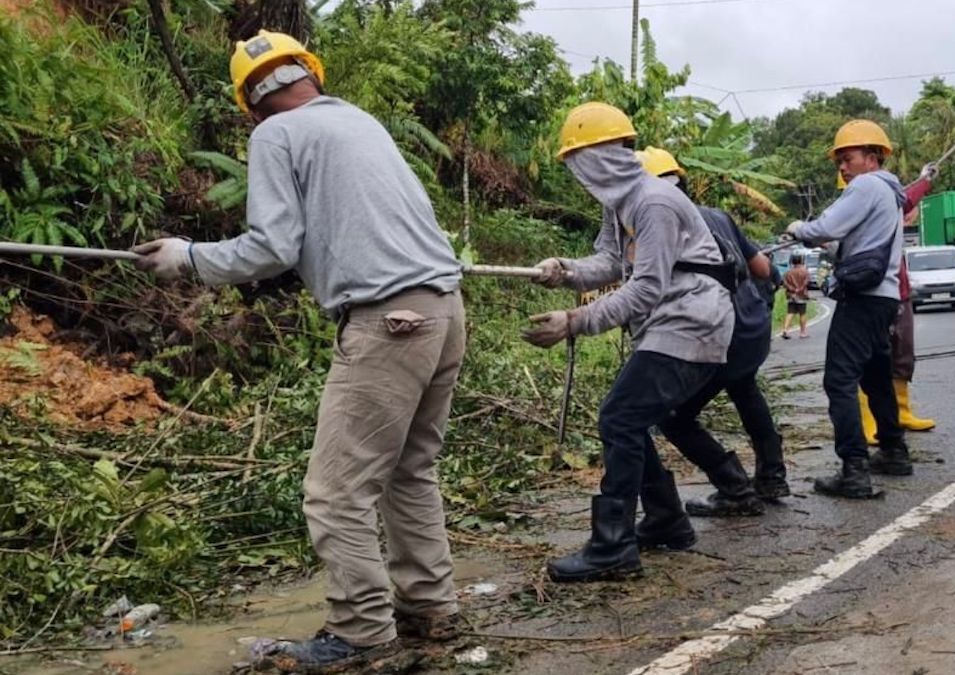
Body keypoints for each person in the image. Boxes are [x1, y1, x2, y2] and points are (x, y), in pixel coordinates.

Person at [132, 31, 464, 669]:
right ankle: (429, 606)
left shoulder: (274, 135)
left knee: (336, 492)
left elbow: (273, 246)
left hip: (389, 319)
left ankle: (362, 632)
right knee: (408, 469)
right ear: (308, 73)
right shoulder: (359, 122)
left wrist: (188, 257)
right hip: (444, 310)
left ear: (249, 104)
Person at [525, 104, 734, 582]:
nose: (577, 173)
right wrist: (566, 270)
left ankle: (613, 546)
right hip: (670, 323)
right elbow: (609, 260)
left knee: (619, 416)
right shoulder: (619, 204)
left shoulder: (654, 202)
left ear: (600, 156)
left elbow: (646, 288)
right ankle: (666, 520)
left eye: (578, 161)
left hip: (691, 321)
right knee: (629, 418)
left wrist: (575, 321)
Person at [635, 146, 790, 514]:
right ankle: (772, 476)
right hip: (752, 328)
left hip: (718, 334)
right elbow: (764, 270)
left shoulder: (656, 225)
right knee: (744, 387)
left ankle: (735, 488)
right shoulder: (717, 215)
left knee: (671, 415)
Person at [784, 119, 910, 498]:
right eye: (839, 160)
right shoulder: (890, 193)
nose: (842, 166)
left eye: (848, 157)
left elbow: (824, 227)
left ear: (872, 158)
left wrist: (798, 228)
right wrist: (828, 245)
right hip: (885, 297)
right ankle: (893, 451)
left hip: (863, 298)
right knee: (874, 378)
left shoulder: (867, 185)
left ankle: (853, 470)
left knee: (838, 381)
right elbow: (847, 243)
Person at [860, 165, 939, 445]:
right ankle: (869, 420)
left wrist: (925, 179)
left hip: (899, 290)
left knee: (903, 352)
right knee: (871, 358)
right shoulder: (860, 200)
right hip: (871, 291)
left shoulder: (888, 199)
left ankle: (902, 411)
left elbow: (905, 200)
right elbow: (903, 201)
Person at [781, 252, 810, 339]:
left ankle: (785, 330)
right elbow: (806, 282)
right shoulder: (805, 272)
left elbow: (785, 284)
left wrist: (793, 290)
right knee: (802, 313)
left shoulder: (788, 273)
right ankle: (803, 332)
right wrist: (799, 289)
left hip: (791, 295)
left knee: (790, 313)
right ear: (801, 261)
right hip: (801, 295)